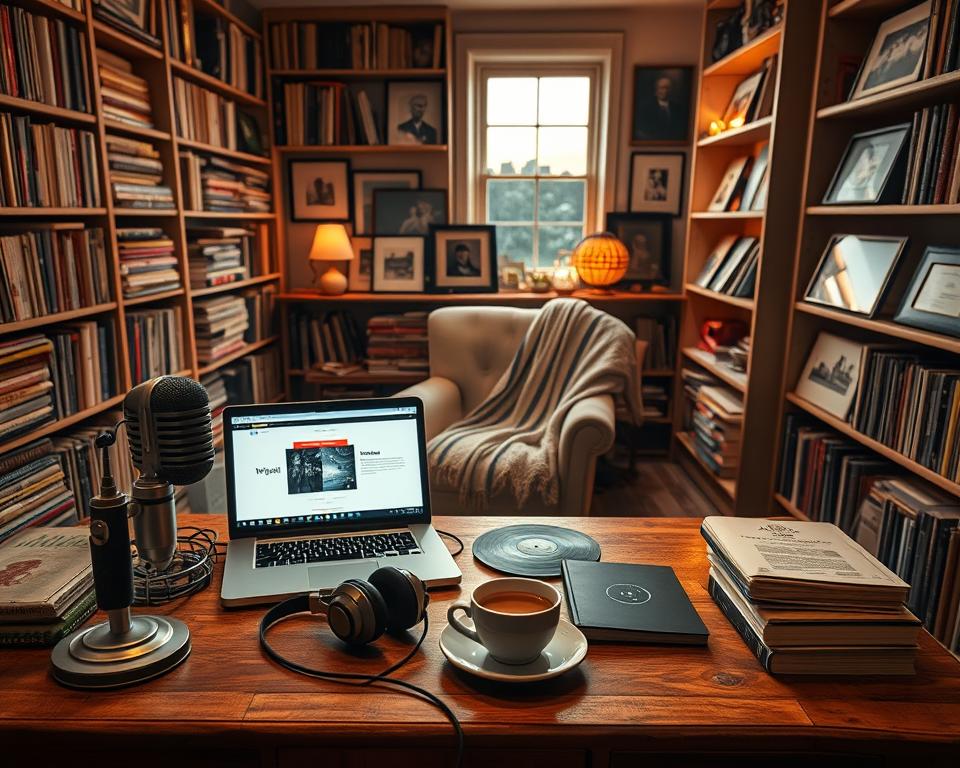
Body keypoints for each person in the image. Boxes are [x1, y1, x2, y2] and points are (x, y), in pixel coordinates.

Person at [636, 74, 686, 141]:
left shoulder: (678, 108)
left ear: (671, 90)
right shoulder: (646, 108)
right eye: (662, 88)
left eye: (667, 88)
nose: (665, 91)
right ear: (656, 90)